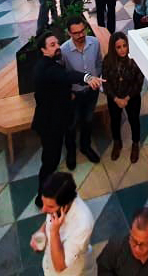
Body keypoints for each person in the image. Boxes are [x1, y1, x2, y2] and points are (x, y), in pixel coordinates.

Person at [32, 35, 102, 204]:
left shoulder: (48, 63)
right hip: (50, 124)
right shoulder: (47, 68)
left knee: (51, 158)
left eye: (57, 43)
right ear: (43, 50)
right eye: (52, 44)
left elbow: (54, 85)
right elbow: (66, 75)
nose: (57, 46)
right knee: (50, 162)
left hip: (54, 118)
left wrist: (66, 94)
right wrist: (88, 78)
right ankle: (42, 197)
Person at [31, 171, 94, 274]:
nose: (43, 210)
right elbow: (50, 219)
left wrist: (54, 232)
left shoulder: (83, 225)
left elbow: (60, 266)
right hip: (49, 261)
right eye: (43, 203)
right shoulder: (57, 202)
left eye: (50, 206)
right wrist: (42, 231)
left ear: (66, 205)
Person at [59, 17, 101, 168]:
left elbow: (98, 63)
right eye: (76, 33)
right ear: (69, 33)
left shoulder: (94, 43)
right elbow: (62, 75)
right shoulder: (63, 51)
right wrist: (67, 92)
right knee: (71, 124)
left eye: (83, 31)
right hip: (74, 95)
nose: (81, 35)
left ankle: (85, 146)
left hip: (91, 92)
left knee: (88, 120)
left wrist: (96, 79)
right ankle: (71, 151)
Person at [102, 32, 143, 163]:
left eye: (125, 45)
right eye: (118, 47)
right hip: (114, 97)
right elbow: (105, 83)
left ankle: (135, 144)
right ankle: (117, 142)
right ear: (113, 48)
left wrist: (126, 98)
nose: (122, 50)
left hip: (132, 97)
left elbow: (139, 82)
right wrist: (116, 99)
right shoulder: (108, 61)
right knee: (115, 120)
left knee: (134, 120)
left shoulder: (134, 59)